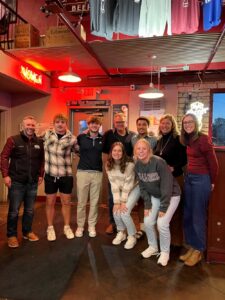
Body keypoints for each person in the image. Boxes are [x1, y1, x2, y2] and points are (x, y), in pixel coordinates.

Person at [179, 113, 218, 266]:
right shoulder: (187, 140)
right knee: (188, 214)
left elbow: (213, 163)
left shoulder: (203, 139)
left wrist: (212, 181)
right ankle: (192, 247)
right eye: (185, 123)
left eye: (190, 122)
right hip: (189, 178)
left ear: (196, 123)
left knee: (198, 215)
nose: (187, 124)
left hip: (201, 180)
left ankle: (199, 249)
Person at [134, 139, 181, 266]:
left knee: (162, 223)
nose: (141, 151)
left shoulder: (159, 162)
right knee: (148, 221)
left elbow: (167, 186)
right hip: (156, 196)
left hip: (171, 196)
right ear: (135, 150)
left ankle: (165, 252)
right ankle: (153, 247)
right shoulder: (137, 165)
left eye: (144, 148)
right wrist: (148, 204)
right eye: (138, 148)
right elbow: (142, 187)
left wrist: (163, 207)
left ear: (149, 150)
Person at [0, 116, 44, 248]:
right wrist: (5, 175)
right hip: (16, 182)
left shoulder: (39, 141)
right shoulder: (13, 140)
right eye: (28, 125)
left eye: (32, 125)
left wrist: (41, 175)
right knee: (14, 211)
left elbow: (42, 160)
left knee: (30, 210)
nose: (30, 127)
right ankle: (11, 236)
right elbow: (3, 157)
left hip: (32, 182)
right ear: (22, 126)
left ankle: (27, 232)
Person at [44, 114, 78, 241]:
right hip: (50, 175)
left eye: (62, 122)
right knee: (50, 202)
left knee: (66, 202)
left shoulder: (72, 139)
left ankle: (67, 227)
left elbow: (80, 151)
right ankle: (50, 227)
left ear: (66, 124)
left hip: (66, 176)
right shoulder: (46, 135)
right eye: (57, 122)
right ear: (54, 123)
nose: (60, 124)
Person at [154, 114, 187, 246]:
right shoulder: (159, 140)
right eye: (162, 123)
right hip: (161, 180)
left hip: (175, 178)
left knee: (176, 210)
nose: (165, 126)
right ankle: (163, 237)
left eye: (168, 123)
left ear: (172, 125)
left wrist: (174, 167)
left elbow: (184, 159)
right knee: (162, 208)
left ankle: (176, 241)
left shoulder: (178, 139)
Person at [102, 112, 135, 234]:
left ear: (126, 122)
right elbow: (103, 150)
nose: (120, 124)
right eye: (117, 122)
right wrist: (108, 167)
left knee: (125, 199)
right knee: (112, 198)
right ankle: (113, 223)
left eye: (122, 122)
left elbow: (135, 152)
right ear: (114, 123)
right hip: (114, 171)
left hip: (127, 171)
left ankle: (125, 224)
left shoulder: (132, 136)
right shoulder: (109, 134)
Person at [106, 142, 140, 249]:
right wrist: (117, 203)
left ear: (123, 152)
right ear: (111, 152)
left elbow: (128, 184)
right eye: (114, 150)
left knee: (124, 212)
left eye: (119, 150)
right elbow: (113, 184)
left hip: (134, 188)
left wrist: (123, 201)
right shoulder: (108, 164)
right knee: (116, 210)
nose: (117, 153)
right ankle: (121, 233)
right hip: (120, 188)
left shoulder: (129, 164)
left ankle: (132, 236)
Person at [75, 116, 103, 238]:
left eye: (96, 124)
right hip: (83, 172)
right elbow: (75, 149)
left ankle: (92, 226)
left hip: (97, 173)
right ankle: (80, 226)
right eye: (92, 123)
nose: (94, 126)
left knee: (94, 202)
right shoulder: (81, 137)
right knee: (81, 202)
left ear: (99, 126)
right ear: (89, 125)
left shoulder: (103, 139)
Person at [131, 116, 157, 237]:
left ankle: (151, 228)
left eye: (143, 124)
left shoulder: (154, 140)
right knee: (140, 202)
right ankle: (142, 229)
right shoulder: (132, 139)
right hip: (137, 175)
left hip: (150, 176)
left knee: (151, 202)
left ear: (147, 126)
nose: (141, 126)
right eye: (139, 124)